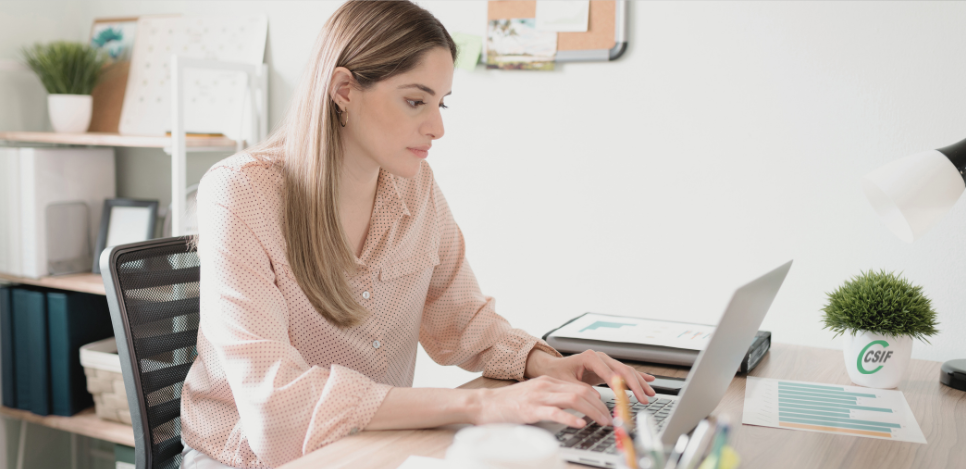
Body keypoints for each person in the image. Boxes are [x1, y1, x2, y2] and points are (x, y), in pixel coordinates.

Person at [179, 2, 655, 468]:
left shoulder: (415, 185)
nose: (438, 127)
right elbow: (276, 404)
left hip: (370, 446)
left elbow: (460, 318)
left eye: (441, 102)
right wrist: (481, 405)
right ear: (344, 90)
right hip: (246, 459)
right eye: (415, 101)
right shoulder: (240, 192)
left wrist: (543, 363)